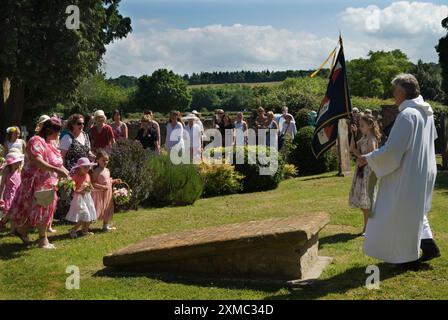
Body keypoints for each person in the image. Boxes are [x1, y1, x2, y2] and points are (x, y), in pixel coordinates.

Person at [356, 74, 441, 267]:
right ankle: (428, 247)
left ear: (402, 92)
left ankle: (406, 258)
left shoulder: (408, 115)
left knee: (398, 214)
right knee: (415, 212)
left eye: (395, 92)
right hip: (423, 169)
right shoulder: (426, 112)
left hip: (408, 173)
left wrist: (368, 159)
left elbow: (393, 151)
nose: (394, 96)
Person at [10, 117, 69, 249]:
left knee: (39, 212)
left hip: (48, 184)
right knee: (39, 211)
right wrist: (56, 171)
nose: (58, 135)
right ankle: (43, 241)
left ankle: (21, 231)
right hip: (35, 183)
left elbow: (58, 163)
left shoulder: (51, 143)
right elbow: (37, 161)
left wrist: (69, 175)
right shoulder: (36, 140)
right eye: (57, 132)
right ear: (49, 131)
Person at [349, 114, 381, 236]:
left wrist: (361, 158)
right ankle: (367, 227)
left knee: (367, 200)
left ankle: (369, 228)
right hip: (361, 169)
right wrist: (353, 133)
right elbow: (352, 148)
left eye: (362, 125)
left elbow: (371, 156)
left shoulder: (371, 139)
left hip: (368, 171)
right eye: (360, 125)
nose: (360, 127)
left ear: (370, 125)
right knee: (364, 203)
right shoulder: (364, 137)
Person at [66, 157, 97, 238]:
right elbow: (72, 187)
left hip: (87, 197)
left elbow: (89, 184)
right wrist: (79, 191)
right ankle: (73, 229)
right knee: (84, 214)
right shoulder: (76, 176)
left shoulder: (87, 175)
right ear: (79, 167)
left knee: (89, 214)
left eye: (88, 167)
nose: (87, 169)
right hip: (79, 198)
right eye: (85, 167)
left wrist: (91, 188)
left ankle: (85, 231)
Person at [91, 151, 121, 232]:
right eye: (103, 160)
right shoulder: (97, 171)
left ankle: (105, 225)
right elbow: (92, 183)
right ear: (97, 160)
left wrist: (115, 181)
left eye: (107, 160)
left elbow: (108, 181)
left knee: (108, 208)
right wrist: (102, 187)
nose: (105, 162)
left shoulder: (107, 170)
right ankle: (86, 226)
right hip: (100, 193)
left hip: (108, 193)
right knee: (98, 209)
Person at [0, 152, 24, 231]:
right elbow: (2, 185)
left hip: (18, 194)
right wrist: (0, 196)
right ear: (10, 164)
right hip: (9, 195)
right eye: (15, 163)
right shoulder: (6, 173)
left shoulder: (19, 171)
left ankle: (4, 222)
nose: (17, 164)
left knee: (14, 211)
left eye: (18, 163)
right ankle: (12, 229)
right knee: (10, 211)